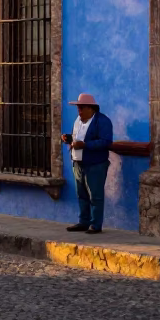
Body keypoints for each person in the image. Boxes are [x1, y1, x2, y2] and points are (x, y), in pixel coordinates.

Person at [61, 93, 113, 234]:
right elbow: (76, 138)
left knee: (95, 195)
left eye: (82, 107)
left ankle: (95, 225)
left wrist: (85, 145)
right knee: (81, 194)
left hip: (95, 164)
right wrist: (68, 139)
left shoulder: (102, 122)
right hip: (78, 163)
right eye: (78, 107)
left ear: (91, 108)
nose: (79, 110)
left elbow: (106, 142)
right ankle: (83, 222)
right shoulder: (78, 120)